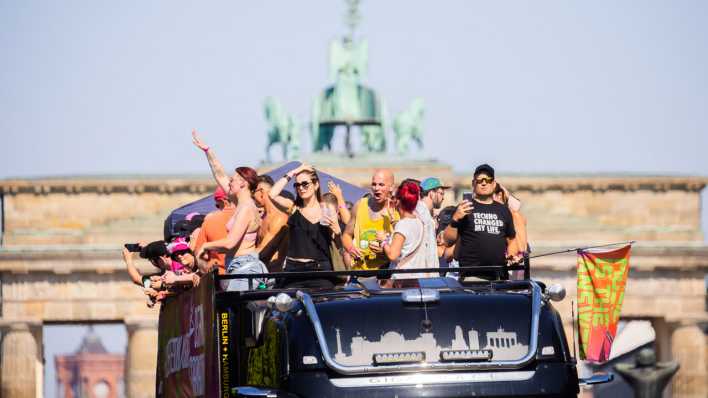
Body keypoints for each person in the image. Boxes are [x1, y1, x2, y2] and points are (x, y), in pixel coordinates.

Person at [191, 130, 267, 291]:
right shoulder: (240, 202)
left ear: (243, 184)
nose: (229, 182)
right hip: (237, 267)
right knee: (233, 315)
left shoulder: (246, 208)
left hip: (246, 268)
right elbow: (219, 174)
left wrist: (206, 246)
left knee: (233, 315)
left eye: (233, 180)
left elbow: (230, 242)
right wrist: (208, 151)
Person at [269, 164, 342, 288]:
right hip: (294, 272)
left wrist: (338, 233)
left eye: (305, 184)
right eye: (297, 185)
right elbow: (272, 194)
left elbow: (338, 245)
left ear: (316, 185)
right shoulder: (293, 208)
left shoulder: (326, 208)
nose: (301, 188)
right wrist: (293, 172)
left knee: (323, 306)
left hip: (321, 272)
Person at [444, 164, 517, 280]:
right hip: (472, 277)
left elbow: (511, 239)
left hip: (499, 277)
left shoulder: (503, 210)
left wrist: (513, 255)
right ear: (473, 184)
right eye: (479, 180)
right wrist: (456, 218)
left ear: (494, 184)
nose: (484, 183)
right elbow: (447, 241)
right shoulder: (464, 207)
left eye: (488, 180)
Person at [342, 169, 399, 270]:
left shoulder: (397, 210)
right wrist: (351, 249)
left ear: (391, 187)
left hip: (384, 275)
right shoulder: (360, 205)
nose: (376, 188)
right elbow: (346, 235)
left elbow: (404, 247)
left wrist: (384, 250)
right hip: (359, 272)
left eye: (381, 185)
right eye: (374, 184)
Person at [380, 181, 432, 281]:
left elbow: (392, 255)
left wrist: (383, 241)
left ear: (398, 201)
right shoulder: (418, 221)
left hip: (403, 280)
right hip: (418, 277)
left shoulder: (402, 225)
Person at [193, 187, 236, 274]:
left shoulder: (210, 220)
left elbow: (201, 254)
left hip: (221, 276)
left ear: (224, 201)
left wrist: (204, 272)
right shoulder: (251, 216)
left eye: (217, 205)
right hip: (250, 273)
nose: (217, 208)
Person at [253, 175, 290, 272]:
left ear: (261, 192)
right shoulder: (263, 217)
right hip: (261, 270)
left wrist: (237, 256)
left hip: (273, 276)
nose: (252, 195)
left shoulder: (279, 218)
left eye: (253, 191)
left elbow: (263, 250)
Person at [417, 177, 451, 268]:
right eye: (441, 193)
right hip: (421, 275)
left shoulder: (425, 214)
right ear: (431, 193)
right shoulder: (422, 215)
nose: (443, 198)